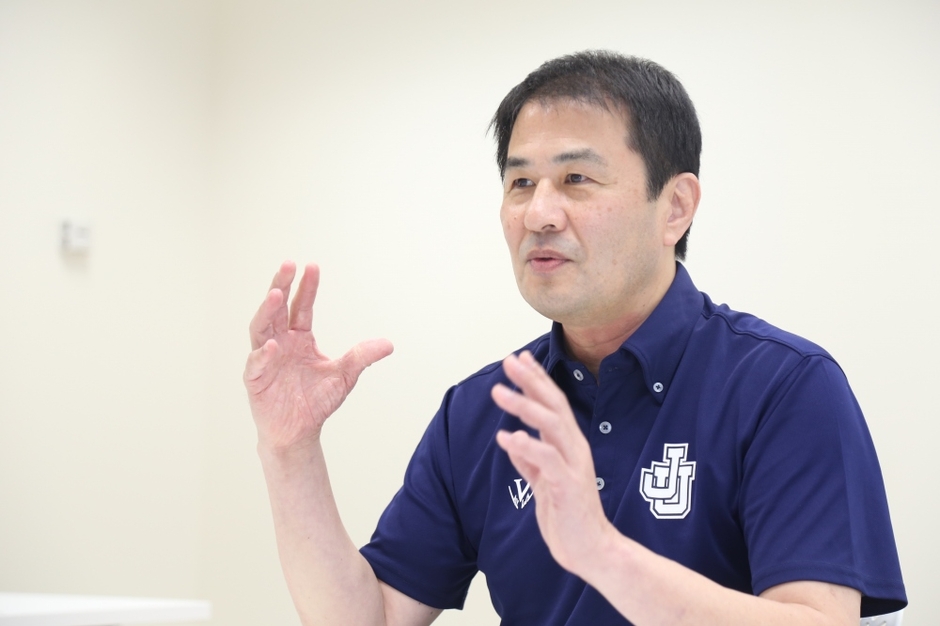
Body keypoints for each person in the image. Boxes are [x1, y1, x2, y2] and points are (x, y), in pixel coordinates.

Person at [244, 51, 906, 625]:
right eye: (520, 182)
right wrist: (289, 449)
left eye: (576, 180)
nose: (538, 213)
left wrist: (602, 553)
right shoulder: (481, 411)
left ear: (675, 207)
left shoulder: (784, 387)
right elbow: (371, 619)